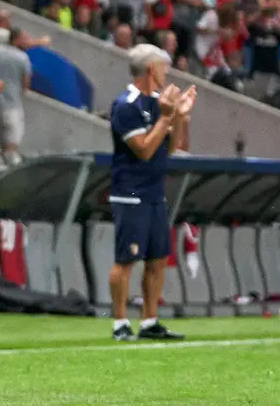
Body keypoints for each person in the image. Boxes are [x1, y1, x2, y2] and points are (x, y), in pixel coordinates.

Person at [107, 43, 195, 342]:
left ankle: (149, 320)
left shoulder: (159, 102)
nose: (166, 73)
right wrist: (164, 117)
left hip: (154, 191)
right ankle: (119, 322)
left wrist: (179, 117)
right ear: (149, 69)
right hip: (129, 192)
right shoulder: (125, 105)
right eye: (162, 67)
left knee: (157, 259)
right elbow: (143, 149)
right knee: (126, 259)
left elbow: (171, 148)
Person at [0, 25, 31, 166]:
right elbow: (25, 84)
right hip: (13, 105)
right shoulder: (23, 57)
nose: (27, 42)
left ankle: (0, 165)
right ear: (16, 40)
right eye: (24, 39)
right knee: (12, 145)